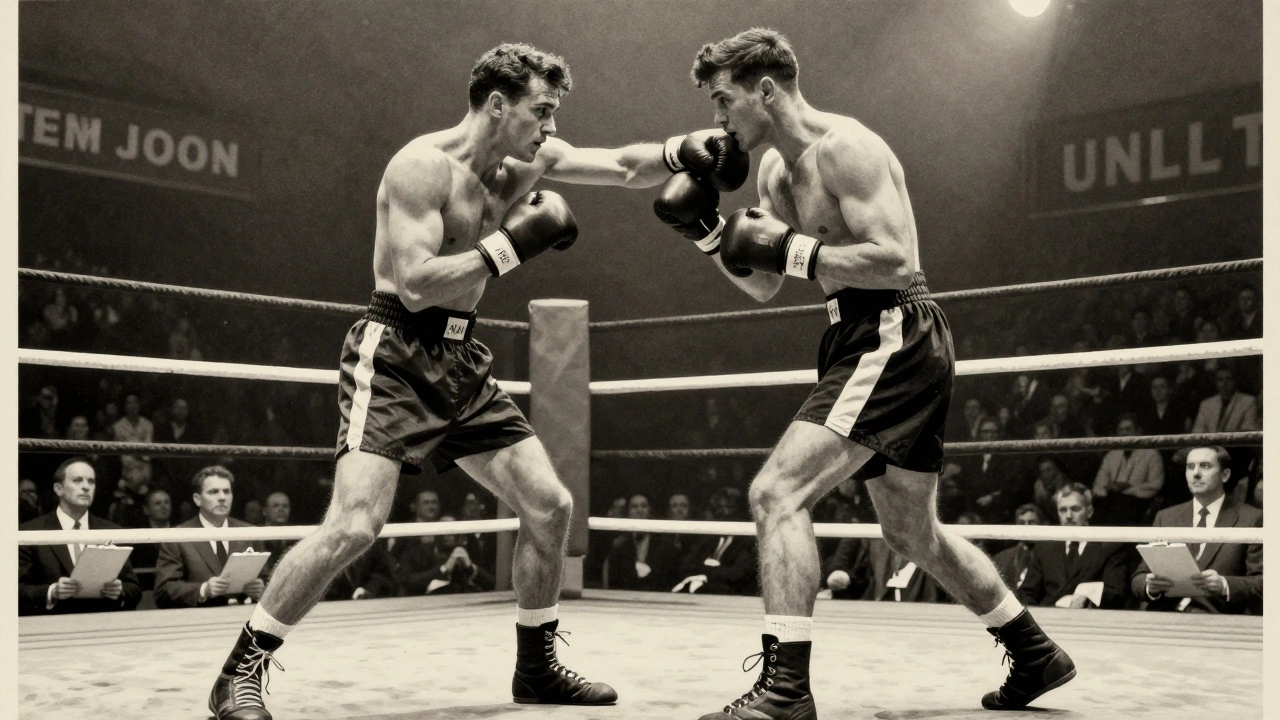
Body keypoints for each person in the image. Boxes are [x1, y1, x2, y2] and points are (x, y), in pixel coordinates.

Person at [207, 41, 748, 719]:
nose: (550, 128)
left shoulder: (531, 159)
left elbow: (618, 164)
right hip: (398, 352)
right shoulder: (420, 167)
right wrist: (512, 244)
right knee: (354, 526)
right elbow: (411, 284)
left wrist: (682, 148)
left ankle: (536, 668)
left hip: (462, 363)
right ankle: (240, 672)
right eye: (541, 112)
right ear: (498, 105)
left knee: (549, 507)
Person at [656, 29, 1074, 718]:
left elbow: (897, 260)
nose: (717, 120)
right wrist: (705, 233)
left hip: (894, 330)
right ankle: (1035, 653)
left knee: (776, 493)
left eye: (724, 100)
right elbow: (763, 285)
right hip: (855, 333)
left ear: (766, 90)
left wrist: (788, 247)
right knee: (912, 533)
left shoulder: (848, 148)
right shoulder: (771, 176)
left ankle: (785, 688)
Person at [1132, 446, 1263, 615]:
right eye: (1190, 466)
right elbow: (1138, 577)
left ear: (1225, 475)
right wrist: (1150, 585)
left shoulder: (1251, 519)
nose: (1196, 473)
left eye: (1205, 466)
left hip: (1216, 620)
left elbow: (1265, 582)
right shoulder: (1166, 517)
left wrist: (1224, 585)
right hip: (1163, 615)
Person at [18, 457, 142, 615]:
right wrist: (51, 592)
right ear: (58, 489)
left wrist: (120, 591)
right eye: (77, 480)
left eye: (91, 482)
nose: (86, 487)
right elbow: (15, 590)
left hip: (102, 624)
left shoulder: (111, 530)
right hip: (53, 626)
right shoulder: (31, 531)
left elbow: (134, 589)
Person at [154, 466, 268, 609]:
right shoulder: (177, 536)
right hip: (199, 622)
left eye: (226, 491)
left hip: (246, 618)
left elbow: (268, 580)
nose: (222, 497)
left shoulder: (250, 532)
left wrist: (261, 589)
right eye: (213, 492)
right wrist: (203, 590)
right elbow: (163, 591)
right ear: (197, 499)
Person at [1015, 484, 1129, 610]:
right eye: (1063, 510)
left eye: (1075, 509)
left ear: (1089, 512)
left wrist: (1087, 599)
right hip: (1048, 620)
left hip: (1090, 621)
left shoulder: (1108, 546)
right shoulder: (1045, 547)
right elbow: (1027, 592)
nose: (1068, 516)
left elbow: (1115, 593)